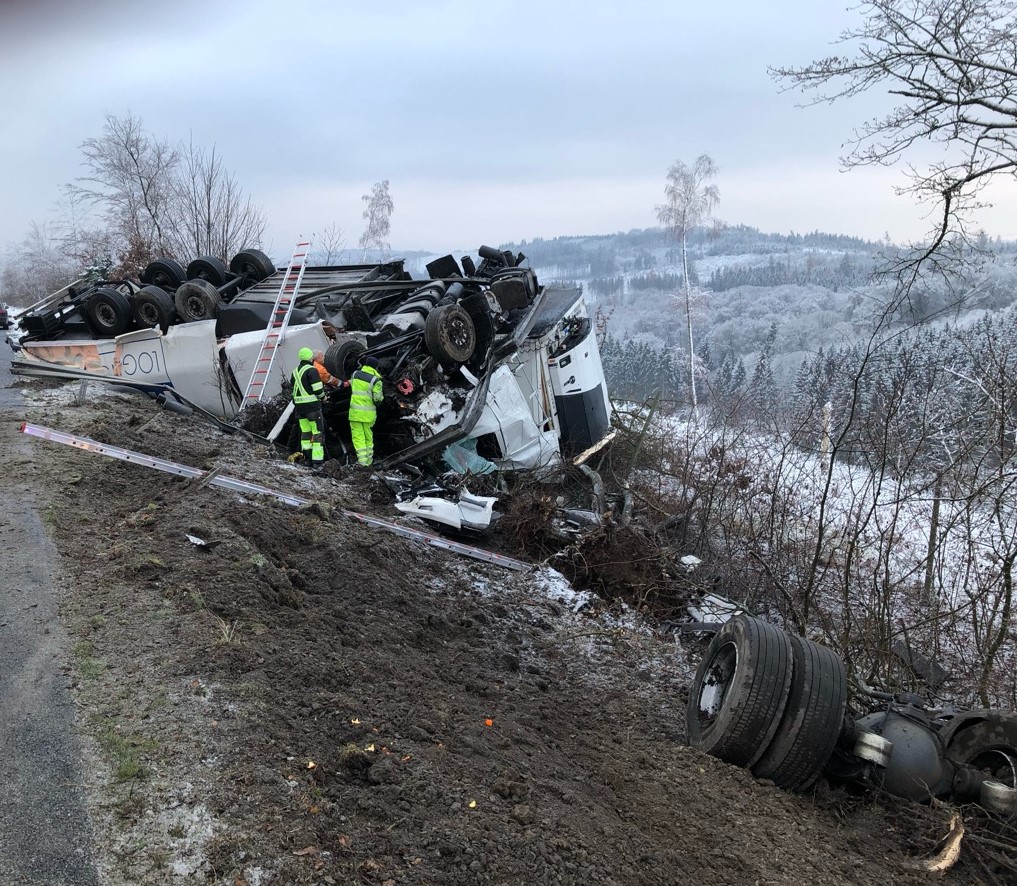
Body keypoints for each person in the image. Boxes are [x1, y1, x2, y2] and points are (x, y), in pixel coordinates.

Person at [290, 347, 326, 466]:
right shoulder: (312, 370)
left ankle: (307, 459)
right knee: (317, 433)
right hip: (312, 408)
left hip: (300, 409)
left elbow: (292, 390)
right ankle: (317, 461)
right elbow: (317, 389)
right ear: (311, 358)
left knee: (305, 434)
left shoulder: (295, 371)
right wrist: (323, 397)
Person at [348, 355, 384, 466]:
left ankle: (362, 463)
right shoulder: (376, 380)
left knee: (358, 437)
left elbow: (352, 387)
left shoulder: (355, 375)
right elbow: (378, 398)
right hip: (369, 415)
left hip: (355, 413)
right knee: (368, 437)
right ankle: (369, 461)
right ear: (375, 367)